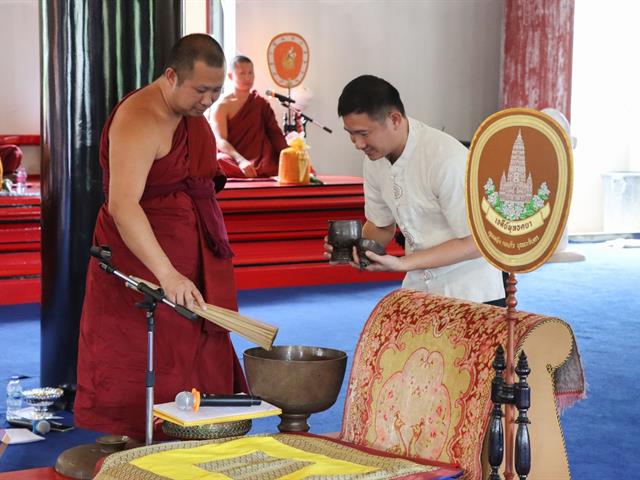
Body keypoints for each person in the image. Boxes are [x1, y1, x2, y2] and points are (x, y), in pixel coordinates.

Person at [75, 34, 248, 440]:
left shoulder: (190, 114)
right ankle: (141, 438)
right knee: (145, 351)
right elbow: (123, 205)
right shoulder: (140, 117)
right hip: (143, 258)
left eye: (216, 91)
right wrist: (167, 274)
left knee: (197, 345)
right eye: (201, 90)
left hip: (191, 252)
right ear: (171, 76)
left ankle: (199, 434)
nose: (208, 100)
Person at [327, 74, 505, 305]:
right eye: (350, 134)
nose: (358, 144)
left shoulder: (446, 158)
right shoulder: (374, 160)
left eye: (364, 134)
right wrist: (353, 248)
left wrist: (402, 263)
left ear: (395, 119)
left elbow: (480, 242)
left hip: (473, 293)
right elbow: (381, 226)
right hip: (420, 291)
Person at [211, 55, 287, 178]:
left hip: (262, 160)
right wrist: (240, 160)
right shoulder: (222, 105)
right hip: (235, 160)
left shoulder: (260, 103)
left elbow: (275, 134)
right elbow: (220, 140)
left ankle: (254, 172)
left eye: (250, 73)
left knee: (288, 160)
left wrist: (288, 154)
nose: (247, 77)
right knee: (219, 161)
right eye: (242, 74)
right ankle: (252, 172)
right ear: (231, 76)